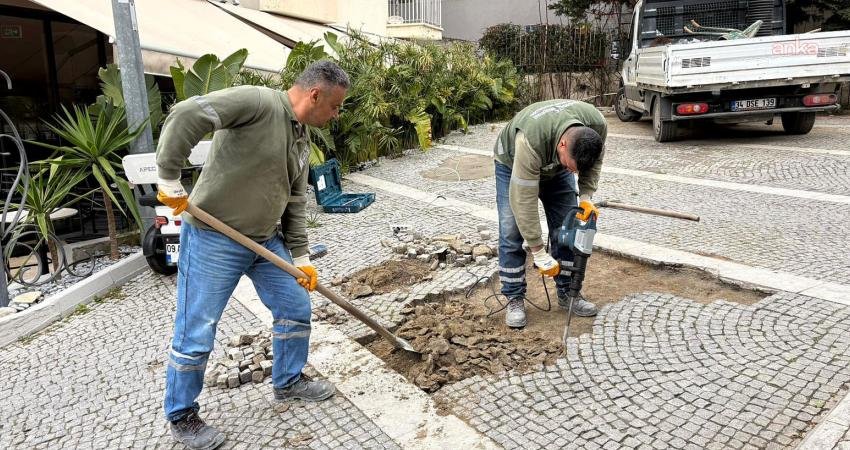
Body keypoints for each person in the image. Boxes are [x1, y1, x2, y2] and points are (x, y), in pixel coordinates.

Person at [155, 60, 349, 449]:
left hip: (265, 242)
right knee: (197, 328)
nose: (337, 114)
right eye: (335, 106)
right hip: (215, 237)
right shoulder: (257, 102)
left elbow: (295, 200)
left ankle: (288, 380)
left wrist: (301, 257)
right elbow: (188, 113)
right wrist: (168, 176)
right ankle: (181, 414)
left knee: (295, 305)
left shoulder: (301, 139)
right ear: (314, 95)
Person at [493, 99, 607, 328]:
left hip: (553, 166)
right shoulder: (531, 140)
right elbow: (523, 202)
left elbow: (593, 164)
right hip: (513, 163)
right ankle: (514, 297)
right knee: (511, 231)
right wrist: (538, 250)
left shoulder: (596, 125)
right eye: (572, 166)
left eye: (575, 170)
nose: (573, 172)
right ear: (563, 144)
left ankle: (567, 293)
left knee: (567, 227)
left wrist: (585, 196)